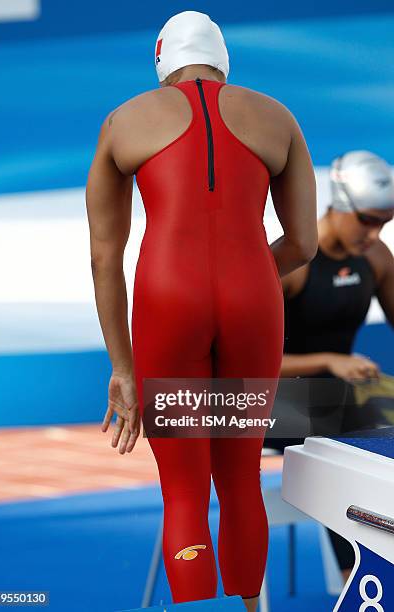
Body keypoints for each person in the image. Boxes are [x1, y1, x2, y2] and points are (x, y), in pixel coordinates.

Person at [85, 10, 317, 611]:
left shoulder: (124, 121)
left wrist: (123, 368)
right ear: (222, 59)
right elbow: (303, 244)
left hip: (167, 297)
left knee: (183, 491)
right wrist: (244, 274)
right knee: (241, 478)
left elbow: (105, 259)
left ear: (161, 61)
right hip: (251, 296)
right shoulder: (277, 117)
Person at [269, 150, 394, 583]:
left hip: (335, 404)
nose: (375, 232)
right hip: (265, 403)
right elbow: (240, 363)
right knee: (350, 431)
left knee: (365, 415)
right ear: (338, 205)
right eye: (367, 219)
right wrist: (328, 360)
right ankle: (359, 579)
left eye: (385, 221)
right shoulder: (293, 265)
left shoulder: (376, 259)